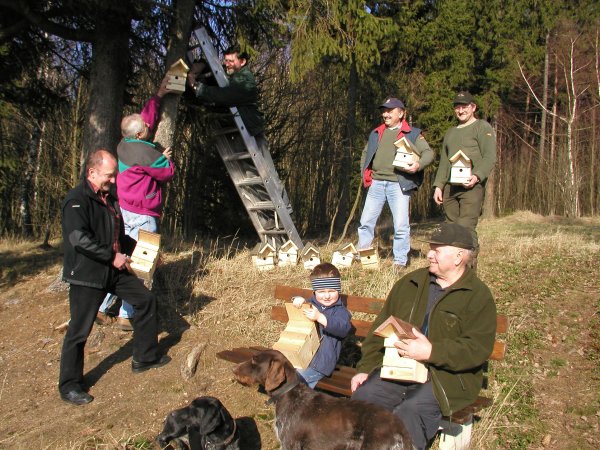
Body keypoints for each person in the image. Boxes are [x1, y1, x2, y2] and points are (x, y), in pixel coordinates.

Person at [350, 222, 497, 449]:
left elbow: (476, 348)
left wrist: (431, 351)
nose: (429, 255)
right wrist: (364, 368)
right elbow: (379, 331)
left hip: (444, 379)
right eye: (430, 248)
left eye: (436, 250)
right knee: (363, 399)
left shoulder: (477, 296)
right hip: (398, 368)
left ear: (458, 257)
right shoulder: (410, 283)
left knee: (409, 412)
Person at [59, 149, 170, 406]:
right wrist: (111, 257)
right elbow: (78, 239)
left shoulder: (110, 200)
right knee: (79, 330)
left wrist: (147, 253)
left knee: (145, 300)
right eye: (108, 176)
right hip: (87, 275)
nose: (112, 180)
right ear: (92, 172)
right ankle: (69, 385)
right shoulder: (76, 200)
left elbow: (120, 237)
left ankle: (144, 357)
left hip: (114, 272)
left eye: (114, 176)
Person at [96, 78, 175, 330]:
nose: (150, 128)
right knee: (142, 262)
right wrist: (162, 158)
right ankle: (126, 314)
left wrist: (158, 95)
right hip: (143, 214)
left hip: (126, 210)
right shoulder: (145, 153)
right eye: (146, 129)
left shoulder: (125, 144)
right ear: (141, 134)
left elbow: (144, 119)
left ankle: (102, 306)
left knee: (124, 257)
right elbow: (167, 172)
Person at [187, 45, 292, 218]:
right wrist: (201, 66)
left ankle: (285, 211)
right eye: (225, 60)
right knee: (251, 178)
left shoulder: (246, 80)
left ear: (242, 62)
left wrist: (198, 87)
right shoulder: (233, 78)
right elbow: (221, 87)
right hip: (239, 133)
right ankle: (269, 217)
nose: (226, 64)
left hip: (251, 133)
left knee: (267, 174)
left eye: (231, 61)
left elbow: (226, 95)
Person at [357, 97, 434, 270]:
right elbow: (365, 153)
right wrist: (365, 175)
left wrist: (417, 165)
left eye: (390, 111)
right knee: (366, 222)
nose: (385, 114)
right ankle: (363, 255)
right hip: (376, 183)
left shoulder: (412, 133)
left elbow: (428, 153)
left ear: (401, 113)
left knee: (400, 225)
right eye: (384, 111)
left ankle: (399, 261)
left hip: (398, 185)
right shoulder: (376, 133)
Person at [432, 91, 497, 247]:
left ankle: (470, 266)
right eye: (457, 107)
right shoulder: (450, 133)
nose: (460, 111)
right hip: (450, 188)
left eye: (464, 107)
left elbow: (489, 157)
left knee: (466, 228)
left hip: (471, 187)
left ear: (473, 107)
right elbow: (444, 162)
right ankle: (455, 268)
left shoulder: (482, 127)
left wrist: (476, 177)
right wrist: (438, 186)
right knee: (451, 228)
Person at [292, 263, 352, 388]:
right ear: (314, 291)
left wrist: (320, 317)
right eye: (321, 291)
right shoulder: (311, 303)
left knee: (297, 380)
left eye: (332, 291)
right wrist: (299, 301)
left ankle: (296, 404)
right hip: (302, 354)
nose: (327, 295)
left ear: (338, 290)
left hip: (321, 363)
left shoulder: (340, 312)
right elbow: (301, 308)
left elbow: (343, 329)